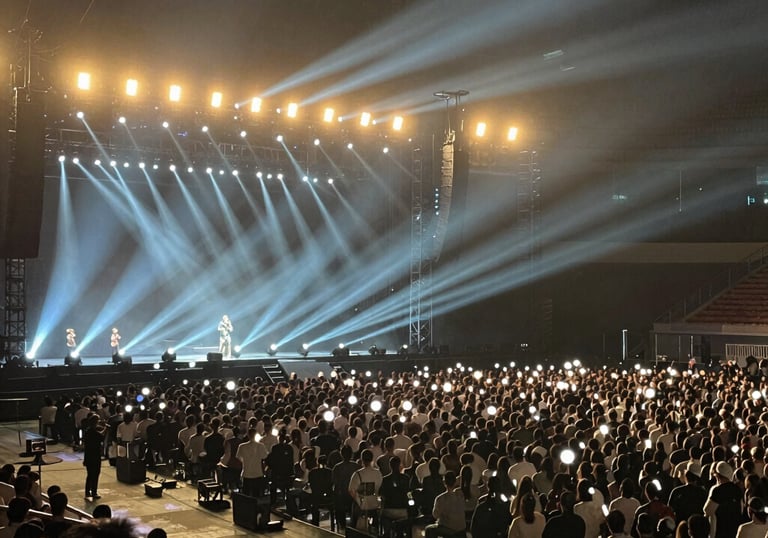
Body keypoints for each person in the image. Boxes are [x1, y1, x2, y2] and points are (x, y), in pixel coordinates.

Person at [703, 461, 744, 538]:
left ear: (717, 475)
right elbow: (741, 509)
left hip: (719, 530)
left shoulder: (718, 490)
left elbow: (707, 510)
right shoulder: (737, 489)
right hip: (734, 528)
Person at [425, 471, 466, 538]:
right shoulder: (461, 495)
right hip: (461, 527)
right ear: (455, 482)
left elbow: (435, 515)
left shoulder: (440, 498)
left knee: (428, 529)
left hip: (449, 528)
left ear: (444, 482)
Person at [236, 427, 269, 496]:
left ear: (248, 435)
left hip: (246, 473)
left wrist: (245, 461)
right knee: (256, 493)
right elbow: (265, 456)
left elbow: (238, 457)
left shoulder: (242, 446)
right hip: (258, 473)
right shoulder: (261, 446)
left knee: (246, 493)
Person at [83, 414, 105, 501]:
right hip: (95, 455)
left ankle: (87, 491)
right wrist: (105, 429)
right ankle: (94, 492)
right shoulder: (93, 432)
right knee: (95, 474)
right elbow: (101, 437)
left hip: (88, 455)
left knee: (89, 475)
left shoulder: (88, 431)